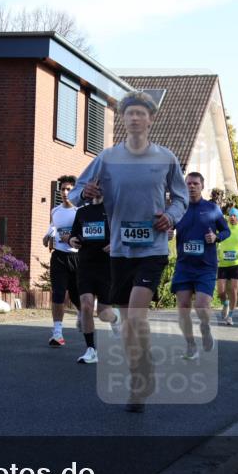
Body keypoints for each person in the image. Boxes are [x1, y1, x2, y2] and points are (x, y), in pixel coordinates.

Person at [70, 91, 188, 413]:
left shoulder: (166, 158)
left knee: (136, 315)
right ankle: (140, 375)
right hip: (120, 250)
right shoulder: (107, 158)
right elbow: (75, 193)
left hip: (153, 247)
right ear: (123, 119)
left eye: (140, 113)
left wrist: (171, 216)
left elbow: (180, 198)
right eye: (129, 113)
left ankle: (140, 378)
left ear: (151, 119)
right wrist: (88, 192)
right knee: (125, 321)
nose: (135, 118)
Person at [171, 172, 230, 360]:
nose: (191, 186)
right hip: (184, 266)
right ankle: (190, 345)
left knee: (202, 305)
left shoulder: (212, 209)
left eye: (195, 183)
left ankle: (205, 328)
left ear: (202, 186)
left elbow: (226, 230)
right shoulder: (178, 209)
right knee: (183, 306)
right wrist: (167, 233)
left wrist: (216, 237)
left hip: (206, 266)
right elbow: (166, 227)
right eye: (188, 183)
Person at [68, 195, 121, 363]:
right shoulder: (82, 212)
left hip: (107, 266)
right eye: (94, 185)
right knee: (86, 305)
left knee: (104, 313)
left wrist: (116, 243)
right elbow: (73, 234)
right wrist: (72, 240)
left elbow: (123, 233)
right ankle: (91, 350)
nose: (97, 188)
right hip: (85, 264)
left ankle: (115, 318)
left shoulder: (114, 209)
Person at [43, 175, 81, 347]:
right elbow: (53, 227)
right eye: (63, 189)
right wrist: (47, 235)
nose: (65, 192)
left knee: (77, 295)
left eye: (69, 189)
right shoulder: (55, 210)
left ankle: (83, 314)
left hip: (77, 257)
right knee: (58, 294)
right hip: (59, 257)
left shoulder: (80, 211)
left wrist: (72, 239)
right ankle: (57, 333)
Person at [215, 208, 238, 326]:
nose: (232, 217)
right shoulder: (223, 230)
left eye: (234, 216)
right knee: (221, 291)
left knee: (233, 289)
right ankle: (225, 304)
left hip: (237, 264)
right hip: (223, 264)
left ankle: (230, 316)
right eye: (230, 215)